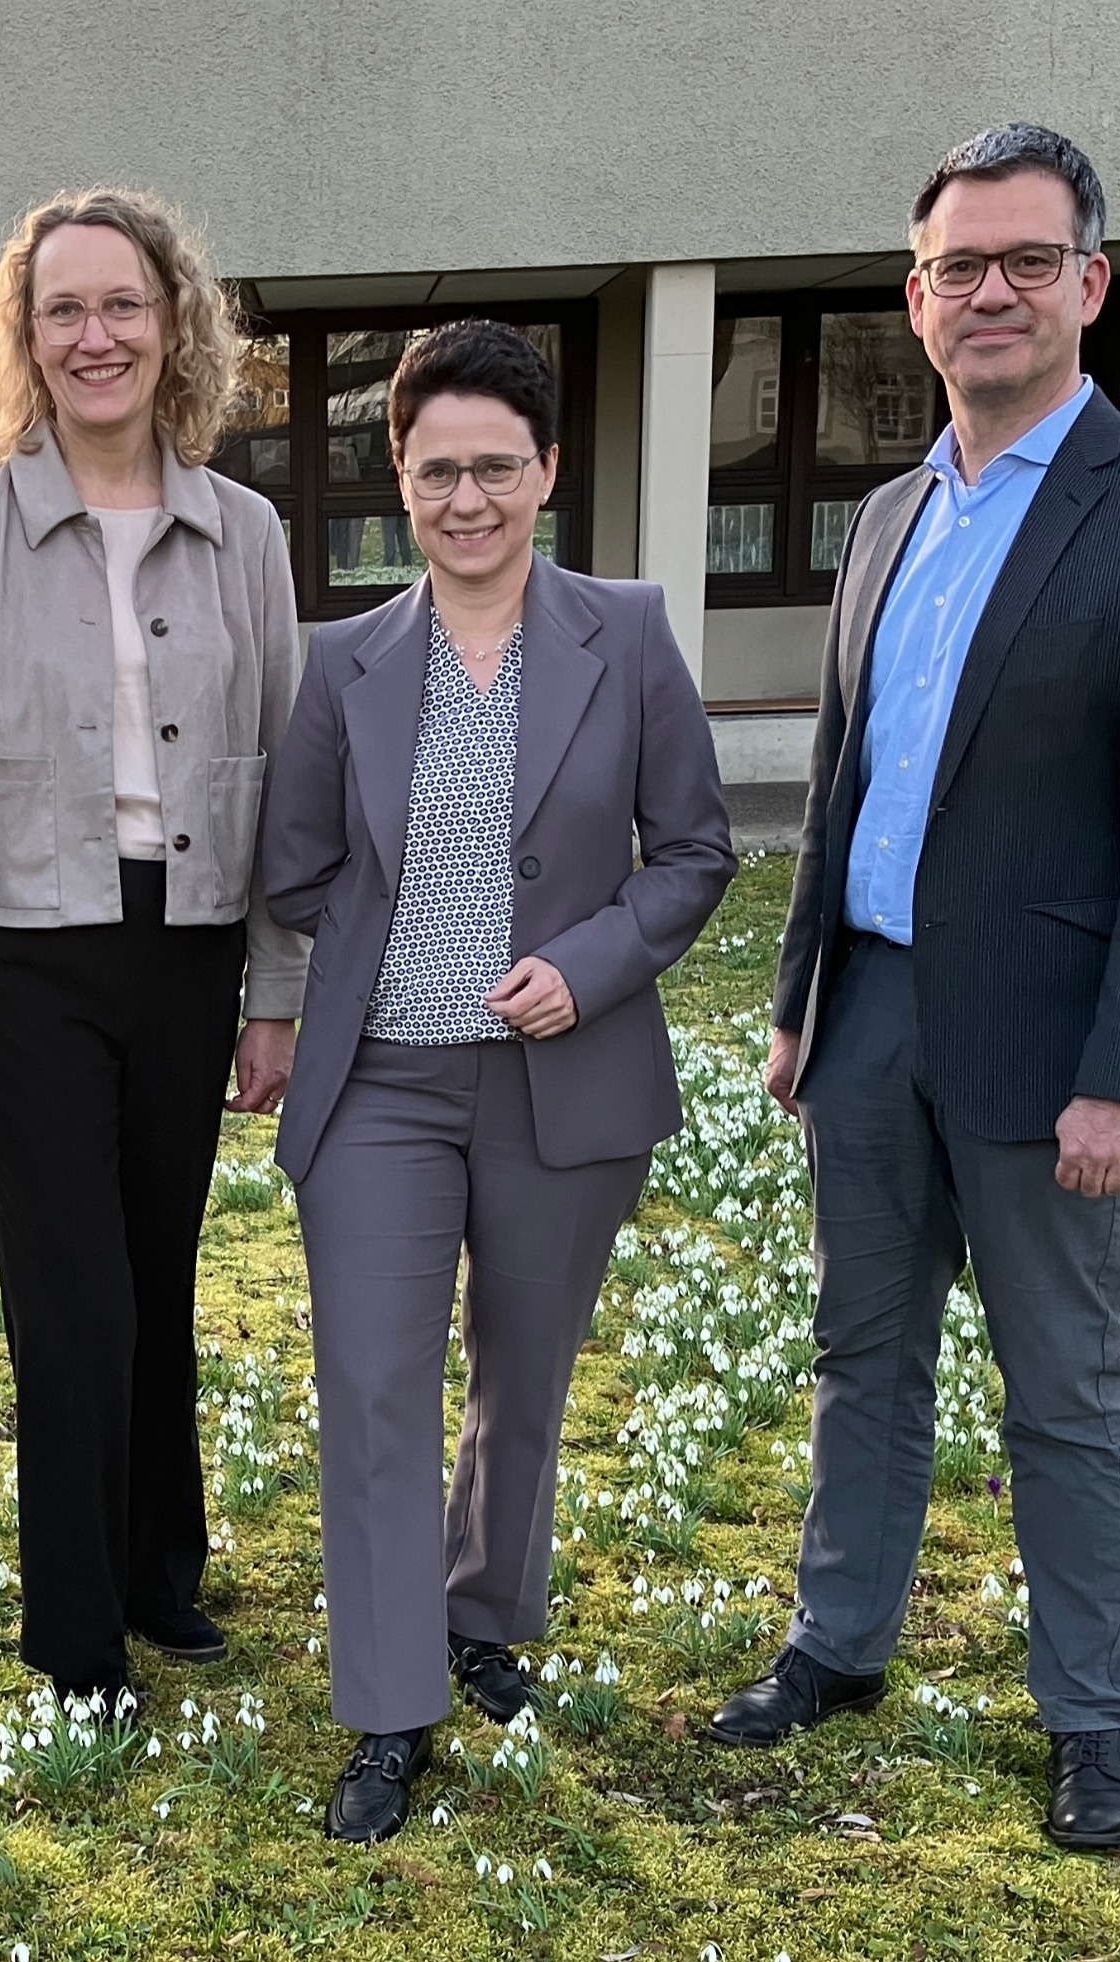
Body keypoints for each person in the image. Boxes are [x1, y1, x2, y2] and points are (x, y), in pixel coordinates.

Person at [707, 125, 1120, 1853]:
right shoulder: (888, 515)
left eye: (1031, 262)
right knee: (860, 1353)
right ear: (917, 296)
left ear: (1091, 285)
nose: (995, 293)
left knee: (1066, 1391)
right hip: (870, 1016)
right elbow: (845, 776)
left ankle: (1092, 1719)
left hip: (1046, 1050)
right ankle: (842, 1641)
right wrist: (803, 995)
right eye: (962, 266)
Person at [264, 319, 734, 1843]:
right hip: (384, 1089)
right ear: (398, 480)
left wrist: (590, 962)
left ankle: (483, 1616)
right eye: (434, 469)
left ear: (546, 473)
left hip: (563, 1082)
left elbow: (698, 854)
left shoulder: (631, 635)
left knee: (519, 1386)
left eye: (495, 467)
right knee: (378, 1391)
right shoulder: (344, 661)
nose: (466, 498)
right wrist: (374, 944)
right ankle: (392, 1707)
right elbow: (298, 864)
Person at [0, 188, 305, 1706]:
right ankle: (75, 1630)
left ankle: (159, 1574)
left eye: (121, 303)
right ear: (25, 337)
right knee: (71, 1297)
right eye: (61, 309)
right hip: (23, 959)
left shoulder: (244, 532)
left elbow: (283, 771)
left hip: (188, 953)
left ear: (172, 320)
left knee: (158, 1272)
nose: (94, 335)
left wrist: (280, 989)